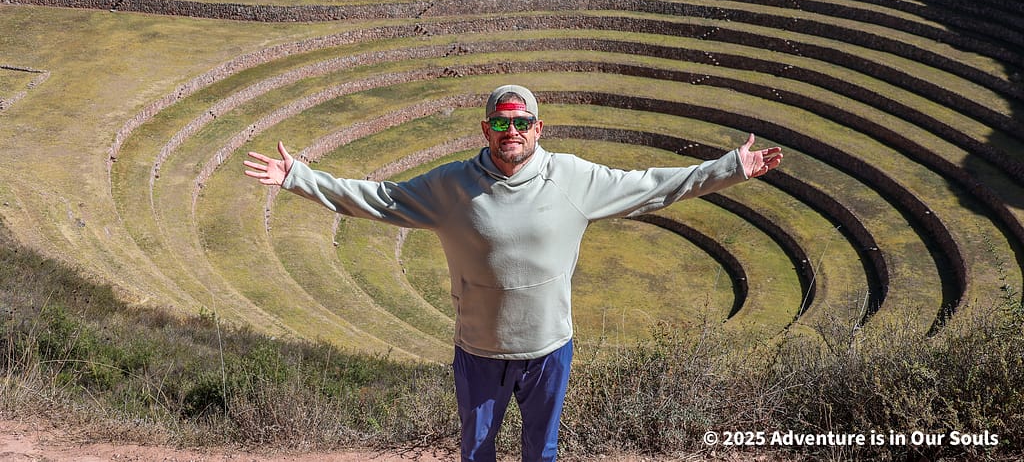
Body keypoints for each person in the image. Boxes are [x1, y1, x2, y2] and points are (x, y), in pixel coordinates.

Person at [243, 84, 783, 462]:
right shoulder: (451, 185)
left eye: (521, 123)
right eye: (501, 123)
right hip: (479, 350)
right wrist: (299, 177)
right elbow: (379, 198)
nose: (511, 131)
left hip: (549, 348)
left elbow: (652, 186)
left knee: (540, 452)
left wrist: (730, 168)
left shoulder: (573, 177)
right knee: (477, 453)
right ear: (486, 129)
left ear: (538, 128)